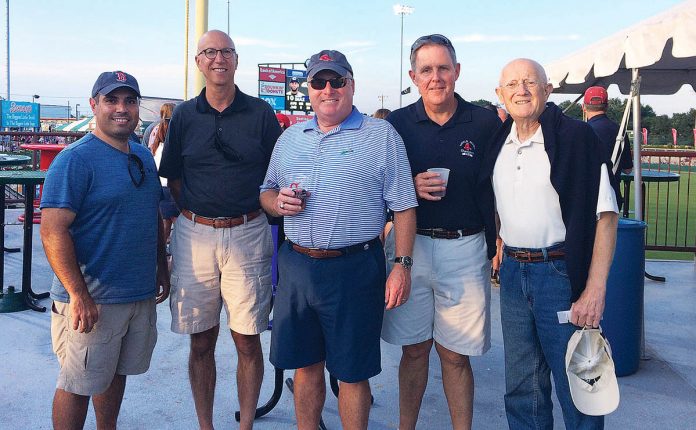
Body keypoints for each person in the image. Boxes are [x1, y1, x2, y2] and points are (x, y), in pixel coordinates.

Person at [260, 49, 417, 430]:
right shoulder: (290, 138)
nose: (328, 89)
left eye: (337, 81)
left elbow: (405, 207)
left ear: (351, 85)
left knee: (352, 372)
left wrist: (401, 267)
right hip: (297, 265)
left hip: (354, 267)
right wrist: (278, 203)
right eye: (319, 81)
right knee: (304, 366)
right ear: (309, 89)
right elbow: (266, 191)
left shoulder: (381, 135)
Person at [482, 58, 619, 429]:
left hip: (560, 275)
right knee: (523, 390)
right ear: (500, 94)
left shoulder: (576, 138)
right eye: (511, 84)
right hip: (512, 275)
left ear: (547, 90)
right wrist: (499, 240)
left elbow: (605, 217)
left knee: (580, 386)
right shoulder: (499, 141)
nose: (521, 91)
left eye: (530, 82)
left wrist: (595, 289)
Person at [158, 30, 282, 430]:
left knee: (248, 339)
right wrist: (200, 215)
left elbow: (277, 176)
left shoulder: (261, 114)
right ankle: (205, 425)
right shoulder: (183, 117)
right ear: (199, 62)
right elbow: (174, 179)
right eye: (209, 52)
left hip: (248, 232)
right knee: (201, 340)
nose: (218, 59)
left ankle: (245, 424)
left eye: (225, 51)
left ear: (236, 60)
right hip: (195, 234)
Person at [381, 34, 499, 430]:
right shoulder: (396, 123)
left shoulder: (484, 122)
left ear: (457, 71)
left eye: (443, 68)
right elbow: (378, 188)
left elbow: (496, 187)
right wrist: (407, 187)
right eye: (427, 70)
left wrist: (497, 240)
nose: (436, 77)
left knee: (455, 355)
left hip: (465, 247)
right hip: (410, 247)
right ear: (414, 76)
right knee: (414, 351)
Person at [40, 70, 170, 430]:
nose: (122, 108)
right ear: (94, 104)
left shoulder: (143, 157)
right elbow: (53, 231)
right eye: (112, 100)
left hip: (136, 293)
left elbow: (150, 214)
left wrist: (161, 265)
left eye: (129, 100)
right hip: (92, 299)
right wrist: (77, 294)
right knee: (77, 384)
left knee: (115, 373)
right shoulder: (75, 159)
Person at [583, 86, 633, 209]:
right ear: (607, 106)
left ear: (583, 107)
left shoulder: (582, 131)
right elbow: (628, 169)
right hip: (612, 197)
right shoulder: (620, 131)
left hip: (588, 197)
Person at [149, 102, 179, 249]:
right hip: (172, 185)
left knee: (165, 224)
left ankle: (160, 255)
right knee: (177, 224)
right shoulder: (176, 131)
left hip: (160, 184)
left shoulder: (154, 131)